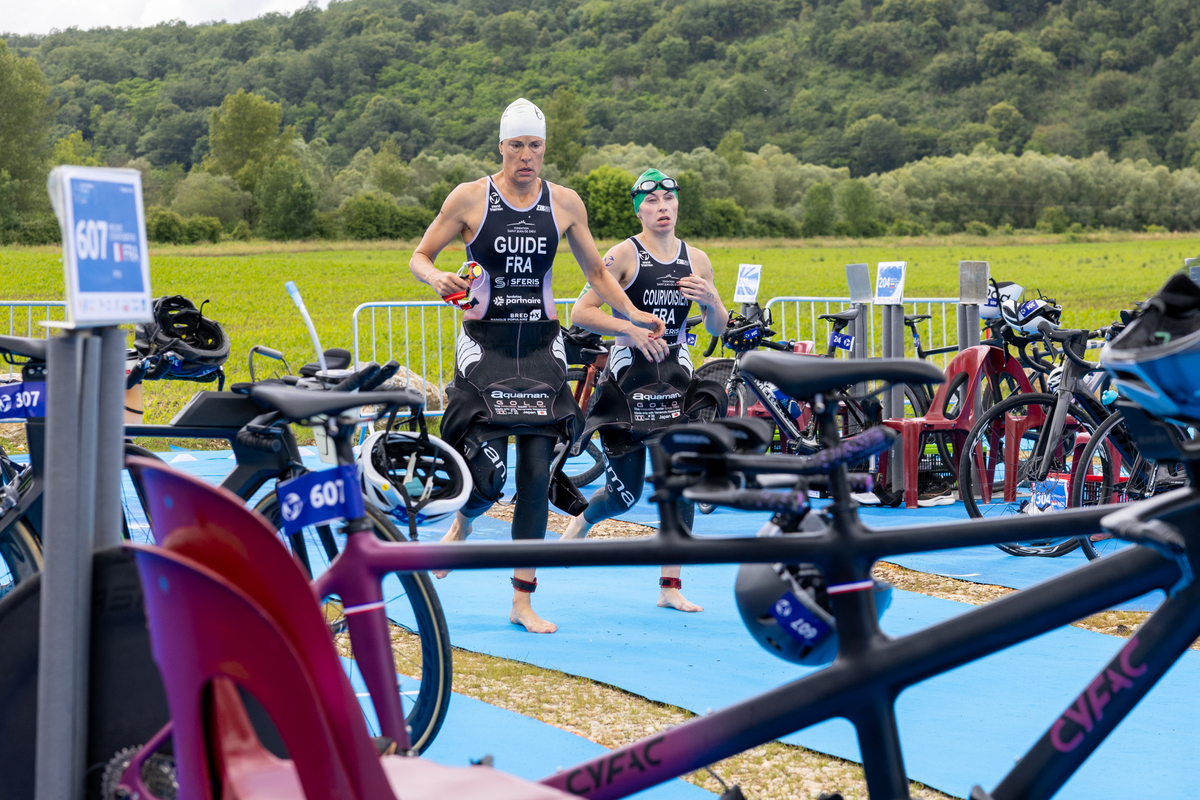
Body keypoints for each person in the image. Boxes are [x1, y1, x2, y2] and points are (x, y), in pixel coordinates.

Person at [408, 98, 665, 634]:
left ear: (545, 149)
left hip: (543, 348)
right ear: (501, 146)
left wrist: (636, 314)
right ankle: (467, 516)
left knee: (533, 476)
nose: (526, 156)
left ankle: (522, 599)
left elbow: (596, 272)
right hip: (485, 343)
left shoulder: (566, 203)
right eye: (517, 145)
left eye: (536, 146)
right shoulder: (469, 197)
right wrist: (435, 279)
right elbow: (420, 256)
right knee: (487, 478)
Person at [562, 168, 728, 612]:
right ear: (639, 210)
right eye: (651, 202)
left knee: (679, 481)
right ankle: (582, 521)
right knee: (625, 494)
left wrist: (714, 301)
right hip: (630, 373)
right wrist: (629, 329)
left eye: (668, 201)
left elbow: (718, 328)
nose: (662, 209)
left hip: (676, 372)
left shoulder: (699, 260)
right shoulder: (623, 256)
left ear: (677, 205)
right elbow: (581, 312)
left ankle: (670, 586)